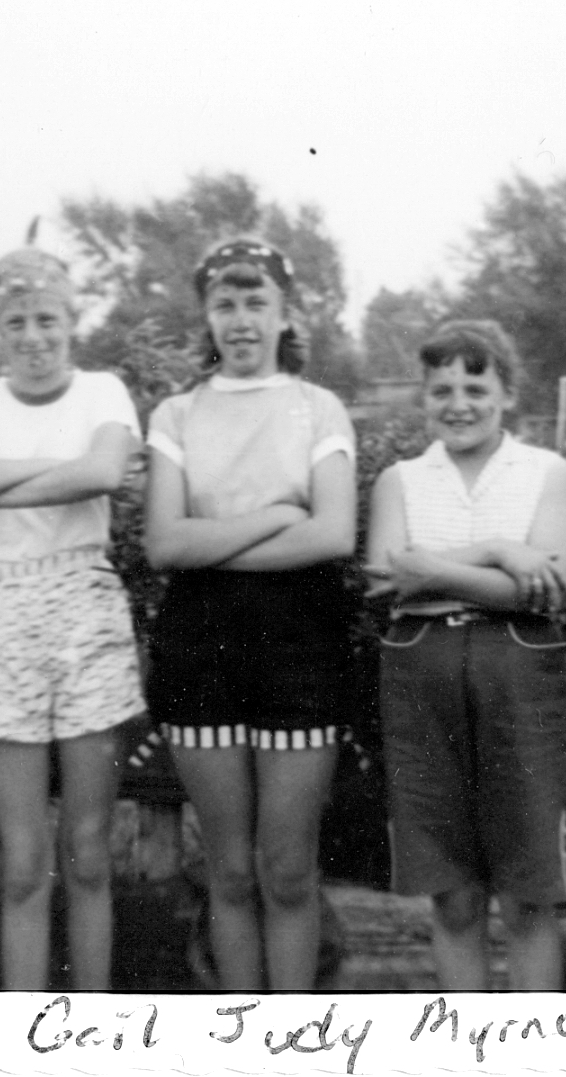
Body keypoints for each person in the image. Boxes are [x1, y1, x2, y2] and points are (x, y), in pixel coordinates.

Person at [0, 247, 146, 991]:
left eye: (47, 318)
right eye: (17, 321)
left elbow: (104, 472)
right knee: (21, 865)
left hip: (86, 607)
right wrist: (54, 476)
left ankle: (94, 1033)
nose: (34, 336)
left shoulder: (102, 391)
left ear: (72, 319)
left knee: (86, 852)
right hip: (3, 615)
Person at [142, 238, 357, 991]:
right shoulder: (176, 412)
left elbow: (333, 532)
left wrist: (211, 543)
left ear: (282, 312)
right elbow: (164, 541)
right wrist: (274, 513)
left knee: (288, 868)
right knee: (229, 871)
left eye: (255, 302)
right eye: (225, 304)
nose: (240, 320)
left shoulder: (316, 406)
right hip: (200, 646)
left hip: (300, 644)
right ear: (206, 314)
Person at [365, 320, 566, 990]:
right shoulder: (399, 481)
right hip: (421, 680)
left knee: (526, 893)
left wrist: (426, 572)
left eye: (474, 385)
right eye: (441, 388)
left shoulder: (546, 472)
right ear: (423, 397)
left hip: (518, 678)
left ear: (508, 393)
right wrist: (496, 553)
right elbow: (381, 578)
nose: (457, 402)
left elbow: (547, 590)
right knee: (453, 894)